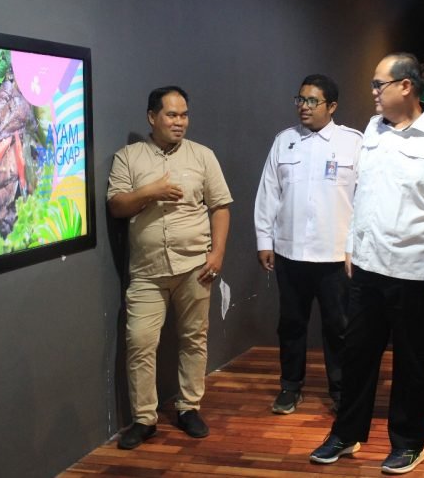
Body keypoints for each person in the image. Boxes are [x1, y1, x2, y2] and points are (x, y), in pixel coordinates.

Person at [310, 53, 424, 474]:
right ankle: (346, 433)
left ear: (405, 86)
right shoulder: (374, 129)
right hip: (368, 266)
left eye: (377, 84)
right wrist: (351, 245)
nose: (372, 93)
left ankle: (408, 442)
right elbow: (364, 193)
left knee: (413, 361)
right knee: (357, 355)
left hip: (416, 271)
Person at [107, 86, 233, 450]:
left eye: (184, 115)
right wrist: (152, 191)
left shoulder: (203, 156)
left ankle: (189, 407)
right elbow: (117, 205)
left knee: (194, 338)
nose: (179, 122)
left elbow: (220, 206)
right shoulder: (128, 158)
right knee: (140, 342)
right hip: (147, 271)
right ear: (152, 117)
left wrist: (218, 253)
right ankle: (144, 418)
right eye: (171, 115)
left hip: (195, 266)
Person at [254, 74, 362, 414]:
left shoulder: (353, 143)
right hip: (290, 252)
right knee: (291, 324)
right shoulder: (284, 141)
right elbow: (268, 193)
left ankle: (342, 390)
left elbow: (364, 200)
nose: (304, 107)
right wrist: (263, 239)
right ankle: (290, 386)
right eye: (300, 99)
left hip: (335, 255)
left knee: (339, 327)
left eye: (312, 101)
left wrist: (356, 248)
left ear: (332, 106)